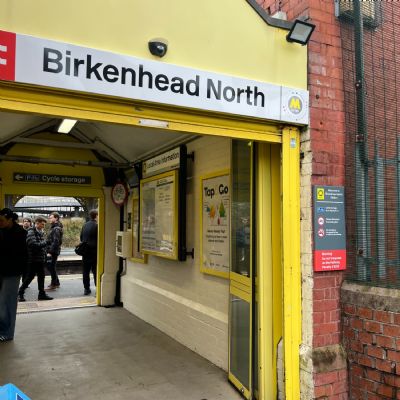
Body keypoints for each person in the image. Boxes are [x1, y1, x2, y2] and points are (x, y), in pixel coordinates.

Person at [0, 208, 27, 341]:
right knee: (2, 303)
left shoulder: (20, 233)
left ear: (10, 219)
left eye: (1, 220)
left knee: (8, 302)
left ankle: (7, 333)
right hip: (2, 270)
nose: (0, 223)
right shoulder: (2, 230)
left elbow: (20, 254)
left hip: (12, 272)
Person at [18, 216, 53, 302]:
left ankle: (41, 294)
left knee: (40, 276)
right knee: (30, 277)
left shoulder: (40, 231)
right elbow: (32, 244)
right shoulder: (31, 232)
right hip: (33, 259)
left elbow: (41, 244)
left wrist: (46, 250)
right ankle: (20, 292)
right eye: (42, 224)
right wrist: (45, 243)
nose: (43, 226)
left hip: (39, 259)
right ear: (37, 223)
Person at [80, 209, 98, 295]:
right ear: (96, 216)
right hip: (94, 252)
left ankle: (86, 289)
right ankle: (98, 288)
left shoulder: (85, 225)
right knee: (95, 271)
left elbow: (81, 238)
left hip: (85, 252)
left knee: (85, 271)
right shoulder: (97, 226)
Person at [46, 212, 63, 290]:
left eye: (51, 217)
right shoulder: (55, 227)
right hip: (53, 250)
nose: (49, 219)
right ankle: (56, 282)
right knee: (52, 267)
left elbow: (56, 241)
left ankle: (54, 284)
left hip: (53, 251)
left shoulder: (56, 228)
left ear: (56, 218)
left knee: (51, 267)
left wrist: (50, 252)